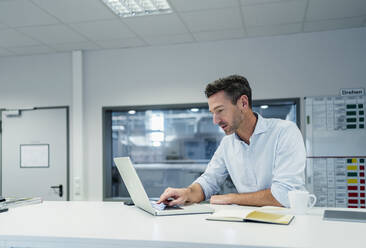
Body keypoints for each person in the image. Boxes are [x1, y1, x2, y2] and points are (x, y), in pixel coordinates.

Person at [157, 75, 306, 208]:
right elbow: (208, 182)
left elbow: (284, 195)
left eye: (220, 110)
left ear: (243, 103)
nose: (215, 121)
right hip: (248, 223)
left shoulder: (284, 132)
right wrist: (186, 193)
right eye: (212, 113)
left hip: (285, 226)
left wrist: (231, 198)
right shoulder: (227, 143)